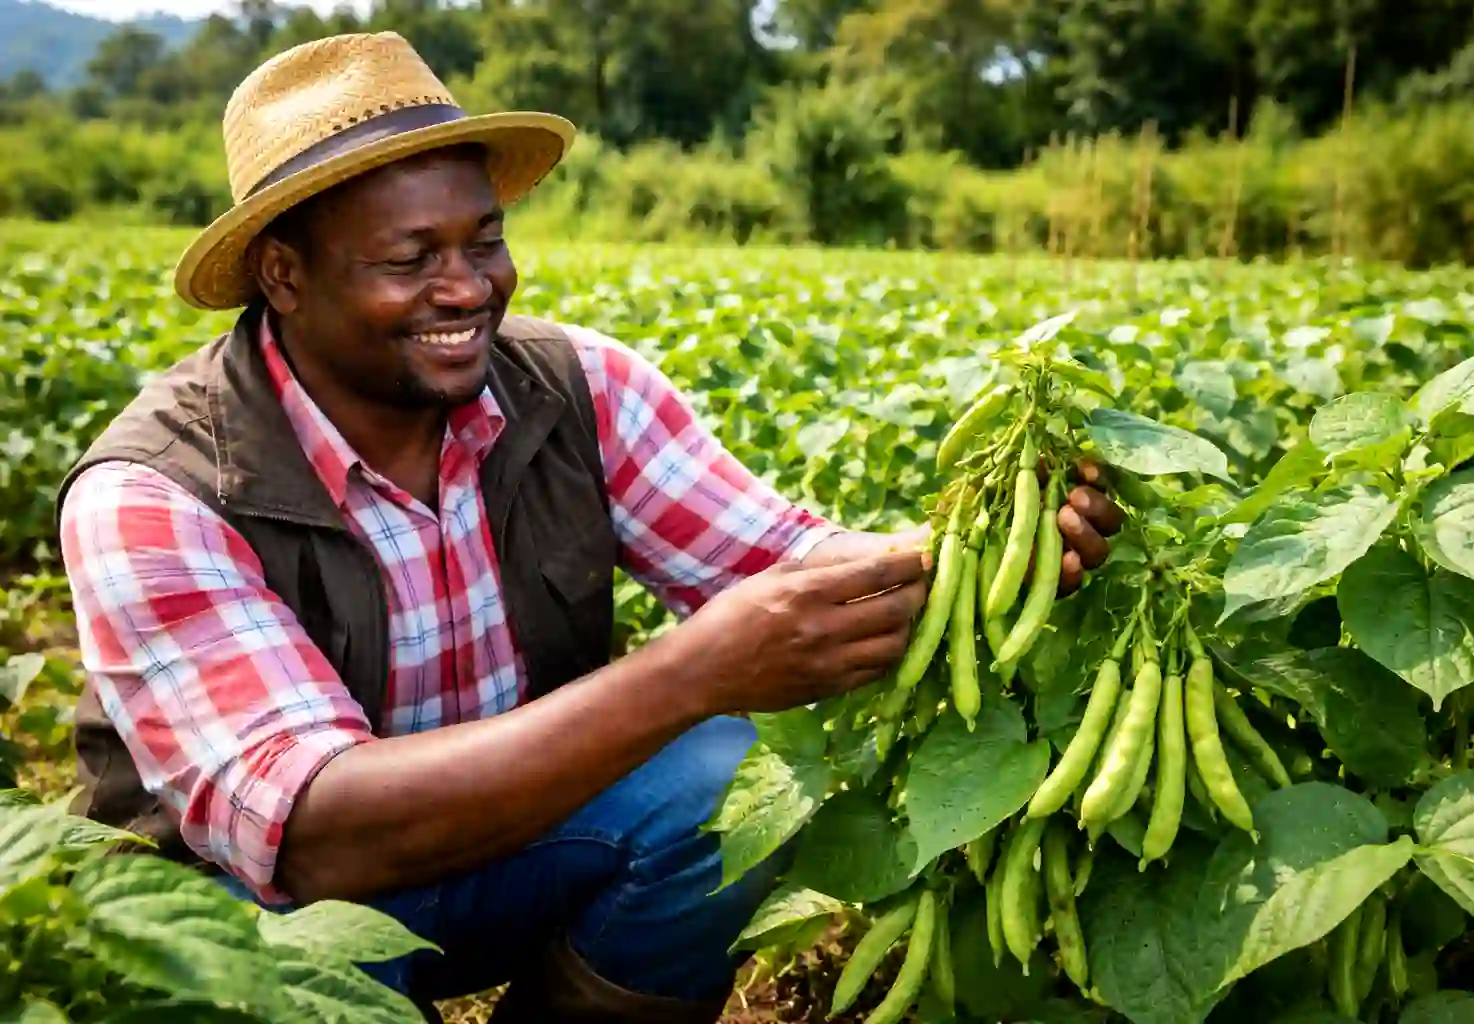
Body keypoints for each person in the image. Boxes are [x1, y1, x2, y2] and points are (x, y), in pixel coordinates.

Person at [54, 31, 1124, 1024]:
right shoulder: (159, 492)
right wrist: (690, 672)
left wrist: (1000, 549)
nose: (467, 286)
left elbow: (784, 558)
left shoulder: (576, 389)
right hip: (263, 921)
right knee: (298, 959)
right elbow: (319, 839)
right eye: (409, 258)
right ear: (284, 274)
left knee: (727, 784)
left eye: (484, 240)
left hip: (515, 846)